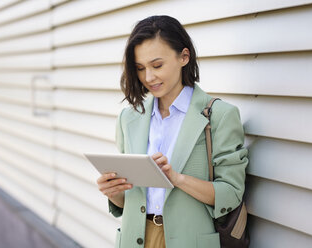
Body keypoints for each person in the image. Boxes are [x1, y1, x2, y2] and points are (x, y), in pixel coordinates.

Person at [96, 15, 248, 248]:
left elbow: (230, 194)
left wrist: (177, 179)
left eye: (157, 65)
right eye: (140, 68)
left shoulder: (219, 116)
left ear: (184, 57)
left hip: (190, 240)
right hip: (136, 239)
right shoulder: (129, 119)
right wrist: (113, 192)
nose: (148, 77)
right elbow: (132, 200)